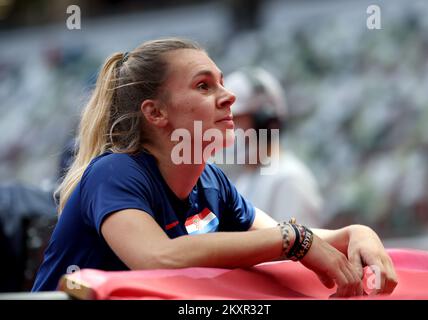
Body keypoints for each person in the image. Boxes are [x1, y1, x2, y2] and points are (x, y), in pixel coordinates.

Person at [31, 38, 397, 297]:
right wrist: (294, 240)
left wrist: (354, 232)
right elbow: (158, 257)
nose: (229, 97)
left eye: (221, 82)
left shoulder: (211, 182)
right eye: (204, 86)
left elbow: (292, 236)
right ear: (155, 113)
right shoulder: (115, 172)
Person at [221, 67, 323, 227]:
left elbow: (300, 248)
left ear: (266, 123)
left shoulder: (289, 179)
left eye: (237, 122)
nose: (230, 131)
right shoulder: (244, 180)